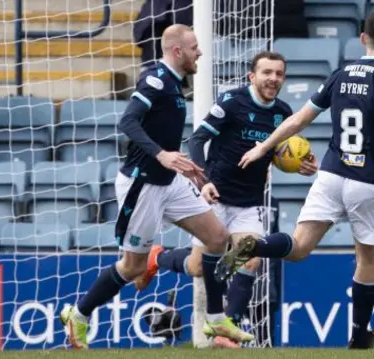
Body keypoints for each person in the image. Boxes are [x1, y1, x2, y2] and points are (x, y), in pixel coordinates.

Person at [220, 11, 374, 349]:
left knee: (297, 248)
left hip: (330, 175)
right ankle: (359, 337)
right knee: (368, 260)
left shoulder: (340, 75)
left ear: (362, 39)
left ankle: (257, 244)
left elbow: (299, 119)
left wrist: (263, 146)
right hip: (368, 181)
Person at [58, 24, 253, 349]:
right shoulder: (155, 79)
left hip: (169, 182)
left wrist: (184, 167)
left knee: (218, 238)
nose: (200, 52)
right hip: (142, 184)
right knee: (133, 266)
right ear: (177, 51)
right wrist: (162, 154)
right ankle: (79, 314)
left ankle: (217, 321)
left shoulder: (175, 85)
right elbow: (127, 121)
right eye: (194, 47)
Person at [130, 51, 317, 348]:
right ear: (251, 76)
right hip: (215, 197)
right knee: (196, 266)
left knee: (252, 258)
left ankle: (223, 330)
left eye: (279, 74)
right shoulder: (232, 101)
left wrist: (301, 166)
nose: (273, 78)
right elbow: (197, 139)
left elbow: (281, 152)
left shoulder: (283, 112)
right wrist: (204, 180)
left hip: (250, 202)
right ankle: (157, 257)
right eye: (267, 72)